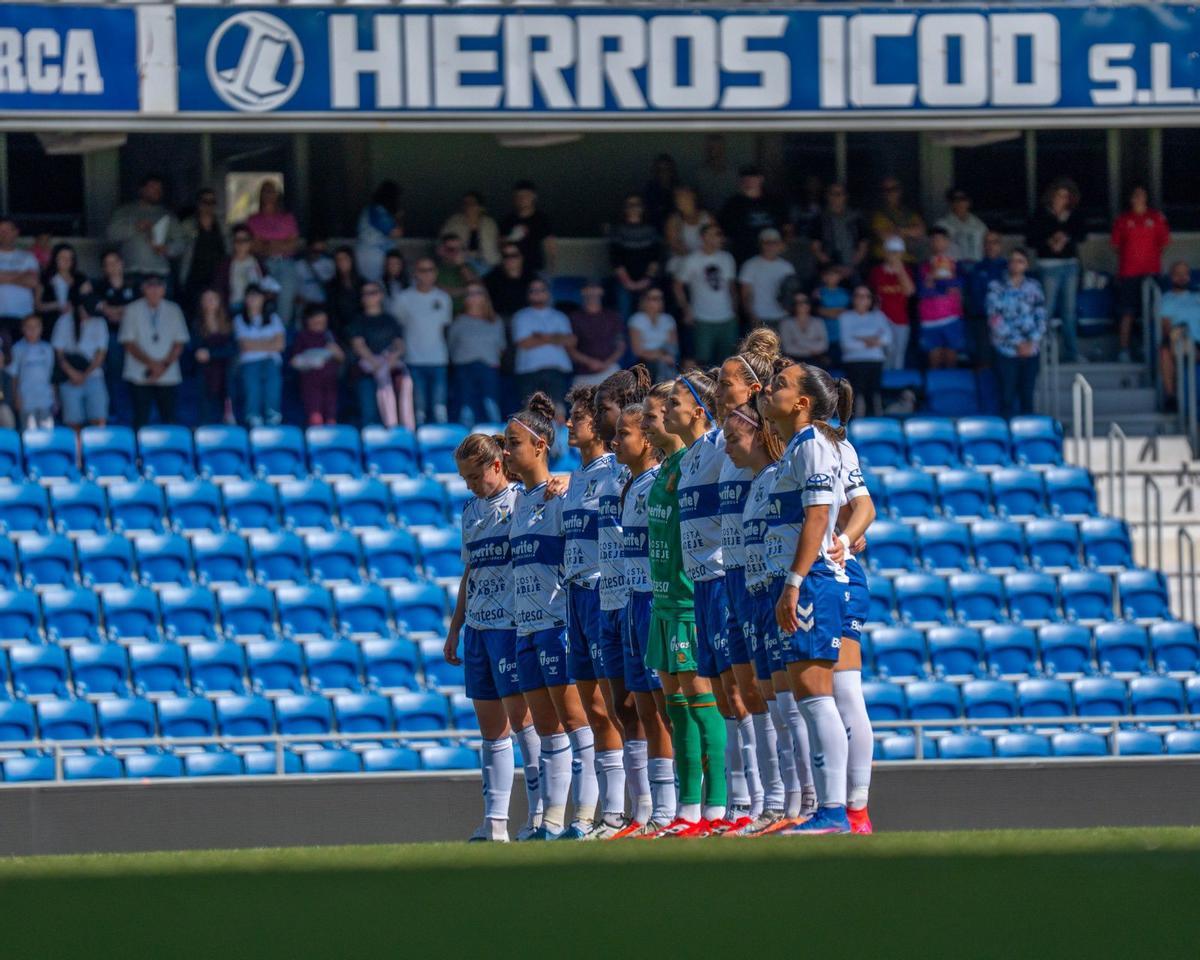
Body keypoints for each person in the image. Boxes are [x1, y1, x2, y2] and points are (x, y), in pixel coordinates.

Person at [760, 363, 854, 834]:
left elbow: (819, 516)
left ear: (802, 403)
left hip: (813, 578)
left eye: (779, 385)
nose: (768, 389)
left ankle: (834, 811)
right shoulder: (799, 447)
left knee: (817, 698)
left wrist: (794, 581)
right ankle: (828, 810)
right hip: (801, 577)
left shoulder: (814, 444)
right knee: (808, 697)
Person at [504, 392, 595, 840]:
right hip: (527, 628)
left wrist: (564, 482)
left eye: (513, 443)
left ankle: (586, 816)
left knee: (577, 723)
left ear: (540, 445)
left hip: (558, 624)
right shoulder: (519, 503)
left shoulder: (562, 495)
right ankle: (553, 820)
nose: (506, 452)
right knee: (546, 730)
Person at [713, 331, 792, 835]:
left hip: (765, 574)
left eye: (726, 381)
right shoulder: (723, 443)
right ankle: (761, 804)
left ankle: (790, 801)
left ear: (753, 387)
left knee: (776, 693)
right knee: (751, 692)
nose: (718, 388)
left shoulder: (773, 440)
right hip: (733, 575)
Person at [444, 432, 541, 842]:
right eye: (464, 478)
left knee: (525, 723)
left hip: (511, 626)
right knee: (491, 731)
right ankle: (495, 821)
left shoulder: (521, 501)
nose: (469, 484)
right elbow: (471, 572)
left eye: (473, 476)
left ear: (497, 466)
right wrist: (456, 627)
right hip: (480, 631)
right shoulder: (470, 511)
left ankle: (541, 814)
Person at [643, 373, 728, 837]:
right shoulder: (672, 468)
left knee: (701, 703)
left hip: (688, 599)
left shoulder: (699, 457)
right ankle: (688, 808)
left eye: (664, 409)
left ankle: (715, 807)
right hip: (662, 599)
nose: (656, 420)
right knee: (675, 709)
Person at [729, 396, 812, 831]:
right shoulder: (758, 482)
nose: (725, 447)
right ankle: (781, 805)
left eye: (731, 437)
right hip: (758, 597)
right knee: (775, 703)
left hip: (782, 594)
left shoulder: (784, 474)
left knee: (790, 703)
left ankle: (803, 803)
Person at [558, 384, 632, 839]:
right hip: (575, 597)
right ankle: (607, 813)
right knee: (591, 710)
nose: (570, 423)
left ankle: (628, 808)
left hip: (608, 591)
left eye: (578, 418)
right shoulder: (575, 479)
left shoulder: (615, 472)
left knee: (615, 707)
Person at [611, 395, 674, 835]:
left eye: (624, 434)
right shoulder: (630, 484)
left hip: (656, 598)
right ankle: (651, 809)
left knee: (670, 707)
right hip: (633, 599)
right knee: (645, 707)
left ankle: (680, 806)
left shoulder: (658, 482)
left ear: (648, 441)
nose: (615, 441)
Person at [826, 433, 878, 836]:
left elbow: (860, 507)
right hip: (767, 580)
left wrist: (844, 538)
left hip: (832, 577)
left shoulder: (829, 445)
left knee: (842, 693)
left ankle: (856, 809)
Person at [119, 276, 189, 429]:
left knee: (169, 418)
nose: (154, 290)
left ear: (164, 289)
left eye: (158, 286)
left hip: (168, 374)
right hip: (139, 373)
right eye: (150, 286)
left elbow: (179, 342)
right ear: (143, 289)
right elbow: (128, 342)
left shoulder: (174, 309)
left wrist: (162, 366)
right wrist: (152, 364)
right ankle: (139, 451)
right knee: (141, 418)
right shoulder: (132, 309)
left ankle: (170, 451)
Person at [1028, 178, 1086, 363]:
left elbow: (1082, 234)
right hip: (1048, 266)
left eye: (1066, 196)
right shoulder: (1040, 214)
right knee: (1047, 309)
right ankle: (1042, 352)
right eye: (1059, 195)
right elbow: (1031, 239)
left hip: (1070, 265)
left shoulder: (1073, 214)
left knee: (1069, 311)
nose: (1062, 199)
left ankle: (1071, 352)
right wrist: (1050, 240)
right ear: (1051, 196)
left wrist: (1065, 236)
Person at [1112, 185, 1170, 363]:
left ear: (1146, 198)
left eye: (1142, 195)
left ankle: (1150, 349)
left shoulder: (1156, 218)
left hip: (1151, 273)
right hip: (1129, 273)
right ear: (1130, 199)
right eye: (1135, 195)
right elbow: (1116, 246)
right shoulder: (1123, 220)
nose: (1138, 198)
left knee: (1152, 313)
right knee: (1127, 313)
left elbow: (1164, 243)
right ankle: (1124, 350)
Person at [987, 248, 1047, 418]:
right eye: (1013, 260)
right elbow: (994, 318)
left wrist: (1032, 341)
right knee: (1006, 396)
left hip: (1030, 351)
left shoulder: (1034, 287)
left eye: (1020, 261)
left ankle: (1027, 438)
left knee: (1027, 396)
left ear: (1026, 265)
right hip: (1006, 351)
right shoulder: (996, 287)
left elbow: (1041, 316)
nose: (1016, 264)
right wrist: (1017, 343)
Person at [394, 257, 452, 426]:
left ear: (435, 273)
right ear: (415, 273)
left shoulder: (443, 298)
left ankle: (442, 447)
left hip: (439, 359)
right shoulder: (403, 298)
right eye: (422, 270)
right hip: (413, 359)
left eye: (430, 270)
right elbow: (398, 326)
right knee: (418, 410)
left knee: (439, 408)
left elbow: (445, 328)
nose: (427, 274)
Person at [349, 281, 413, 430]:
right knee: (369, 413)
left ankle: (401, 435)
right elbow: (358, 345)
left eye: (373, 292)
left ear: (381, 295)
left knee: (402, 396)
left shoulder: (390, 320)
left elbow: (399, 343)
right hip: (367, 373)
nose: (369, 297)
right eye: (365, 294)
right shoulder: (358, 320)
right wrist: (376, 364)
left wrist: (394, 356)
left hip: (391, 371)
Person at [674, 224, 737, 367]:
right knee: (702, 361)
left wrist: (735, 310)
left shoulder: (727, 258)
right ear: (704, 237)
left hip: (727, 317)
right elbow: (677, 285)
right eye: (715, 234)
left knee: (728, 361)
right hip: (702, 318)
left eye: (720, 234)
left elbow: (731, 286)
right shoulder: (692, 260)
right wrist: (686, 309)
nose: (719, 238)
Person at [105, 174, 184, 284]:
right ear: (141, 189)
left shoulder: (168, 215)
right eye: (153, 188)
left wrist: (166, 249)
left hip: (160, 273)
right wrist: (135, 227)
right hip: (131, 272)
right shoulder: (125, 212)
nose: (157, 191)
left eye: (159, 189)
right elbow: (111, 235)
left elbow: (180, 244)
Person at [448, 283, 505, 427]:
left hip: (489, 367)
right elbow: (451, 345)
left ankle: (496, 443)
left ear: (485, 297)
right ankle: (467, 446)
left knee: (491, 405)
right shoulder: (458, 321)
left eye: (477, 293)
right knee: (466, 407)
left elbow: (501, 346)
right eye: (469, 294)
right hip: (464, 368)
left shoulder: (495, 320)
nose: (472, 297)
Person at [511, 279, 574, 408]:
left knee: (558, 411)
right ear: (528, 294)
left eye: (541, 290)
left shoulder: (560, 316)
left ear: (548, 293)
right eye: (533, 290)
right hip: (529, 371)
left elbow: (570, 341)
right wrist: (555, 337)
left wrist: (540, 336)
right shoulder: (521, 316)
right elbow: (524, 343)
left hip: (556, 370)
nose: (537, 293)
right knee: (531, 413)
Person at [247, 180, 300, 325]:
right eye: (265, 191)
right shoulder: (253, 219)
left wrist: (268, 243)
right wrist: (282, 243)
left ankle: (281, 334)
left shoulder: (287, 218)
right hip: (262, 263)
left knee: (286, 298)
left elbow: (293, 245)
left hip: (286, 263)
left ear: (277, 195)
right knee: (258, 298)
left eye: (272, 191)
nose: (268, 195)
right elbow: (254, 246)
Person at [52, 295, 108, 431]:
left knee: (99, 418)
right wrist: (72, 373)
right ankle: (77, 452)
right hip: (69, 376)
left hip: (93, 376)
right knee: (73, 421)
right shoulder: (64, 321)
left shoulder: (100, 322)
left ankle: (96, 450)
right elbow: (58, 353)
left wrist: (84, 375)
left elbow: (100, 355)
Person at [95, 250, 139, 423]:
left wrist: (116, 311)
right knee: (114, 375)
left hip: (134, 337)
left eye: (115, 262)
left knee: (133, 375)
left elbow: (136, 309)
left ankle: (132, 414)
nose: (112, 266)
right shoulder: (99, 286)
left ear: (122, 263)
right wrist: (119, 311)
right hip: (111, 336)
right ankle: (115, 413)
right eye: (107, 264)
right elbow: (101, 309)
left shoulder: (133, 284)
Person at [233, 285, 285, 428]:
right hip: (249, 362)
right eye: (250, 296)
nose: (254, 299)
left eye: (257, 296)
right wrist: (268, 343)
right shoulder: (239, 319)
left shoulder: (274, 318)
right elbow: (244, 346)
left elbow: (280, 345)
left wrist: (255, 344)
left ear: (263, 299)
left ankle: (273, 417)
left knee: (273, 386)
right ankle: (253, 418)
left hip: (271, 360)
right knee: (252, 387)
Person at [917, 226, 966, 369]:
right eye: (933, 240)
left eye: (940, 240)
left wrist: (937, 283)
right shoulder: (923, 266)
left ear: (947, 242)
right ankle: (934, 390)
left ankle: (953, 389)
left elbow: (958, 286)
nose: (937, 243)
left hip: (952, 316)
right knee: (934, 359)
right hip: (929, 318)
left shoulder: (956, 265)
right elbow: (922, 292)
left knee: (951, 358)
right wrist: (935, 279)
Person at [839, 286, 892, 417]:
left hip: (876, 360)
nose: (863, 299)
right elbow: (846, 344)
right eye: (859, 296)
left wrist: (860, 338)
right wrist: (873, 340)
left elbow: (887, 338)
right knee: (857, 394)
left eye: (866, 296)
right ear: (853, 299)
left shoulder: (879, 316)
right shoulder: (845, 317)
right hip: (854, 361)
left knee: (874, 394)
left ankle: (876, 423)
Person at [719, 165, 786, 265]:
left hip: (772, 255)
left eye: (752, 177)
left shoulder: (774, 202)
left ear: (761, 179)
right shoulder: (732, 204)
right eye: (745, 178)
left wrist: (783, 243)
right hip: (743, 255)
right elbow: (723, 231)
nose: (748, 181)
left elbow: (787, 227)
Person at [289, 305, 344, 426]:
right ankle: (317, 441)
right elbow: (293, 361)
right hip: (311, 382)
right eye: (316, 319)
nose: (319, 323)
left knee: (331, 415)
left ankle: (331, 441)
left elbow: (341, 358)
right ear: (308, 320)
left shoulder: (329, 335)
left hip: (330, 382)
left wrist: (336, 351)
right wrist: (309, 360)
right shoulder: (302, 337)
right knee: (315, 415)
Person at [609, 194, 661, 319]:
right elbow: (615, 259)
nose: (633, 208)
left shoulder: (651, 230)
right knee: (623, 316)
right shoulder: (617, 230)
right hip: (624, 282)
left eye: (636, 205)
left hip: (647, 281)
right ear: (625, 209)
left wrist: (647, 279)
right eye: (629, 205)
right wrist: (628, 282)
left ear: (642, 208)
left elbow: (655, 257)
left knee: (650, 315)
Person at [868, 236, 916, 369]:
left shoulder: (906, 271)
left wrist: (899, 269)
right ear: (885, 252)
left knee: (898, 353)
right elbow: (872, 294)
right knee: (883, 352)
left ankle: (896, 383)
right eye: (891, 252)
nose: (894, 255)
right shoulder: (877, 271)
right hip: (881, 318)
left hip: (900, 319)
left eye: (897, 252)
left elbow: (909, 291)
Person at [1159, 261, 1200, 409]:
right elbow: (1167, 328)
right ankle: (1171, 397)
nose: (1182, 277)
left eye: (1185, 274)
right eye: (1178, 274)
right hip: (1181, 341)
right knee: (1165, 351)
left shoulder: (1197, 297)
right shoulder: (1166, 300)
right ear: (1172, 277)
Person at [568, 281, 625, 387]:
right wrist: (590, 362)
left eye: (595, 288)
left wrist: (606, 363)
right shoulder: (574, 318)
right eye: (589, 288)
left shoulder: (612, 316)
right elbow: (571, 349)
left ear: (601, 291)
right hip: (584, 373)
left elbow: (620, 346)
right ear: (583, 292)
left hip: (610, 369)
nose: (593, 292)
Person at [179, 187, 226, 312]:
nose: (208, 206)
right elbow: (178, 249)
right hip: (193, 277)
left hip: (218, 276)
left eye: (212, 202)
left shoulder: (222, 225)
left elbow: (228, 249)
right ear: (198, 203)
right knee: (193, 311)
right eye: (205, 202)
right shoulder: (187, 225)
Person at [810, 183, 867, 284]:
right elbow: (816, 249)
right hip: (828, 270)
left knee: (862, 292)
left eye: (840, 194)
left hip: (853, 269)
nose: (836, 197)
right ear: (827, 196)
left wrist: (850, 267)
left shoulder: (856, 218)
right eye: (833, 194)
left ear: (846, 196)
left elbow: (863, 247)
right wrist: (834, 268)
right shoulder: (820, 219)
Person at [193, 289, 235, 425]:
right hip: (204, 373)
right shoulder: (196, 324)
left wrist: (211, 354)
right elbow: (196, 351)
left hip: (226, 372)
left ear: (219, 302)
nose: (209, 302)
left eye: (213, 299)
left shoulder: (229, 323)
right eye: (206, 299)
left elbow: (232, 349)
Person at [739, 228, 795, 329]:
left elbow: (792, 293)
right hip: (759, 318)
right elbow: (746, 294)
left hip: (782, 318)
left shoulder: (787, 267)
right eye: (766, 242)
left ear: (779, 244)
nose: (770, 246)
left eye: (774, 242)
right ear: (761, 244)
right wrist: (751, 316)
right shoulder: (750, 265)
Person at [7, 314, 55, 429]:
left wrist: (54, 397)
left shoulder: (48, 349)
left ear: (41, 328)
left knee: (46, 435)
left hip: (45, 400)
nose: (32, 330)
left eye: (36, 326)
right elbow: (13, 376)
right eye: (29, 327)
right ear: (23, 329)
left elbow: (50, 376)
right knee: (29, 435)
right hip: (26, 401)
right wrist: (16, 397)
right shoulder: (17, 349)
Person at [500, 181, 555, 274]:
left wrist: (552, 267)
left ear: (533, 197)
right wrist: (512, 237)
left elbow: (550, 244)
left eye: (525, 195)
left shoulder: (542, 219)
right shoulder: (508, 219)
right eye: (518, 196)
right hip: (513, 270)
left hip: (536, 268)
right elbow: (500, 243)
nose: (522, 199)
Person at [0, 216, 39, 347]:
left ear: (16, 232)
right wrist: (21, 275)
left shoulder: (27, 257)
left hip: (23, 317)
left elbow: (33, 281)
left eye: (7, 230)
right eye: (0, 230)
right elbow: (26, 278)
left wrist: (3, 276)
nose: (3, 234)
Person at [440, 191, 500, 273]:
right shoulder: (454, 221)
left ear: (480, 207)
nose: (468, 206)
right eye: (465, 203)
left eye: (472, 203)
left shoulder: (489, 224)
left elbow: (495, 246)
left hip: (487, 263)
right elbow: (442, 243)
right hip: (460, 262)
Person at [356, 180, 404, 282]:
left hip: (374, 254)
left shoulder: (375, 210)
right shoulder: (377, 210)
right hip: (372, 256)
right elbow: (396, 233)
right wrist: (398, 217)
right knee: (374, 288)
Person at [664, 185, 713, 281]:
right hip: (682, 265)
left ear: (693, 196)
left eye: (683, 196)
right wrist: (695, 262)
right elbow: (675, 245)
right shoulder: (674, 220)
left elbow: (716, 238)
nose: (679, 199)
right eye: (677, 197)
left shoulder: (707, 217)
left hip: (706, 263)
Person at [36, 243, 91, 331]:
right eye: (63, 257)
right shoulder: (45, 278)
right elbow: (38, 305)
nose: (67, 261)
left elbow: (89, 300)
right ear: (55, 259)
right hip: (52, 325)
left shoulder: (80, 278)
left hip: (76, 325)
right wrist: (57, 305)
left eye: (70, 258)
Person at [869, 176, 925, 260]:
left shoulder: (909, 213)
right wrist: (909, 232)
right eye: (887, 190)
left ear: (900, 191)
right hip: (885, 260)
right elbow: (886, 237)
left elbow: (920, 232)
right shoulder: (877, 214)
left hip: (908, 260)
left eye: (894, 189)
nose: (891, 193)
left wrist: (899, 231)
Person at [628, 289, 678, 382]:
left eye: (660, 298)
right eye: (654, 298)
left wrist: (663, 356)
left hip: (666, 359)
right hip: (645, 361)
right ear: (644, 301)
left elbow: (673, 346)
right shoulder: (636, 319)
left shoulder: (668, 319)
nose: (659, 301)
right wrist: (660, 356)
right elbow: (638, 351)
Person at [216, 224, 266, 316]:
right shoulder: (226, 264)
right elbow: (220, 288)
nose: (241, 244)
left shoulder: (258, 262)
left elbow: (266, 284)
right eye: (237, 240)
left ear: (251, 242)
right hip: (234, 307)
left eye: (245, 240)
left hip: (257, 307)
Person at [484, 243, 536, 321]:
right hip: (502, 321)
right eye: (505, 256)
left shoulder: (532, 277)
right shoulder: (491, 278)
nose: (509, 259)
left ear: (521, 257)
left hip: (528, 320)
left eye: (514, 255)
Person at [936, 188, 988, 263]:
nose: (959, 203)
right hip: (951, 268)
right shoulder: (941, 226)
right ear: (950, 203)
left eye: (963, 199)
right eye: (955, 199)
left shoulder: (979, 226)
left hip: (976, 267)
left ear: (969, 202)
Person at [779, 292, 829, 366]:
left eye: (805, 302)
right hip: (793, 361)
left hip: (815, 360)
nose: (802, 305)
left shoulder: (818, 322)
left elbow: (824, 344)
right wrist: (811, 349)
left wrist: (799, 342)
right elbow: (787, 348)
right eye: (798, 302)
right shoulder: (786, 323)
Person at [434, 233, 478, 314]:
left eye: (460, 249)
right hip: (441, 313)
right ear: (441, 250)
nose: (456, 252)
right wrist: (466, 290)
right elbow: (442, 292)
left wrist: (462, 265)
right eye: (451, 249)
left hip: (466, 314)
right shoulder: (434, 268)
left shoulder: (468, 268)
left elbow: (476, 287)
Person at [325, 245, 364, 339]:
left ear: (352, 260)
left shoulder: (363, 283)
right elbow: (332, 312)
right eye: (338, 260)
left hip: (362, 332)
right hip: (340, 333)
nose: (341, 262)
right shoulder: (331, 285)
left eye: (344, 259)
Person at [695, 133, 739, 211]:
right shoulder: (700, 173)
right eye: (711, 148)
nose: (714, 151)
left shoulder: (733, 172)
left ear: (723, 149)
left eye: (717, 147)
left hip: (728, 215)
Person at [813, 263, 851, 353]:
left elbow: (848, 312)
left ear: (840, 277)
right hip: (824, 332)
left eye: (835, 275)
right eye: (829, 275)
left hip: (842, 333)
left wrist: (829, 312)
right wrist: (837, 312)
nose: (831, 277)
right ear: (823, 277)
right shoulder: (818, 293)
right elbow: (818, 311)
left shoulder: (846, 292)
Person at [295, 238, 335, 316]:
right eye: (315, 251)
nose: (318, 254)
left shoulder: (329, 264)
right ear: (308, 248)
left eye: (321, 252)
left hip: (323, 305)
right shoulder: (298, 265)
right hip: (304, 305)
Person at [643, 154, 679, 232]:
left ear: (672, 171)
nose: (663, 172)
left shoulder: (679, 189)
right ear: (655, 171)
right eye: (659, 169)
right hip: (654, 233)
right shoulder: (649, 189)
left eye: (667, 169)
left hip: (677, 232)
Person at [381, 249, 409, 320]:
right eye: (390, 263)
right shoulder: (380, 284)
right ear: (386, 265)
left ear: (402, 265)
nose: (393, 267)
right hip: (387, 323)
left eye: (396, 264)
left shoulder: (411, 283)